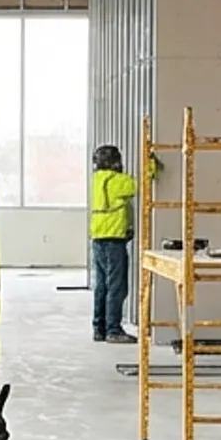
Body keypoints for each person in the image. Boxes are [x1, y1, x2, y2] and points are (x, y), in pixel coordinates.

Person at [88, 143, 139, 344]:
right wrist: (151, 164)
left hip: (99, 237)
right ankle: (113, 330)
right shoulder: (117, 180)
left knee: (101, 286)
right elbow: (139, 184)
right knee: (117, 287)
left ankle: (99, 328)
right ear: (115, 162)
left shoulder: (98, 179)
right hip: (113, 239)